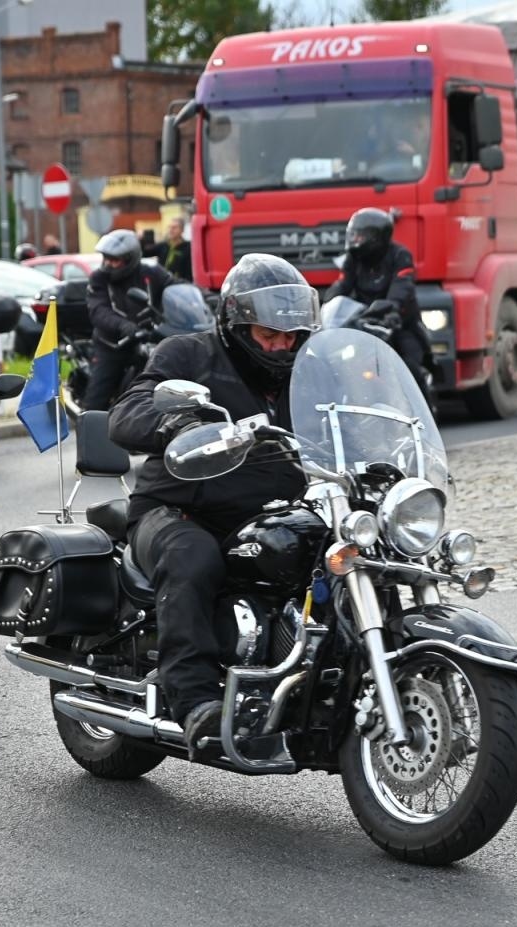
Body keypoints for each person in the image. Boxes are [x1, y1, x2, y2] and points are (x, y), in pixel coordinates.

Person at [109, 254, 318, 751]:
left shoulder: (306, 374)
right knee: (193, 556)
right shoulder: (188, 354)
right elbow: (128, 411)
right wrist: (176, 424)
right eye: (270, 336)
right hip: (177, 508)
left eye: (291, 337)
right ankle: (196, 698)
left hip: (268, 513)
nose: (282, 347)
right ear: (236, 325)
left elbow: (349, 417)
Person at [324, 207, 430, 393]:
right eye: (353, 235)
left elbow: (402, 285)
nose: (355, 241)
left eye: (360, 236)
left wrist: (392, 307)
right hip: (362, 323)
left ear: (377, 237)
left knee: (410, 368)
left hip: (398, 323)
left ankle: (426, 414)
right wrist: (325, 307)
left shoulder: (400, 255)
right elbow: (342, 285)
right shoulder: (353, 259)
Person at [84, 228, 172, 412]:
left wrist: (203, 297)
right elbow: (99, 310)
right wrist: (123, 325)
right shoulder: (99, 279)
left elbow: (175, 285)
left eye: (114, 260)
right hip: (113, 345)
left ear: (130, 258)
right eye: (106, 258)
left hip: (148, 340)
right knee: (96, 400)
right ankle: (88, 433)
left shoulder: (150, 273)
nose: (108, 263)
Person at [156, 217, 192, 282]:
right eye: (169, 227)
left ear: (182, 230)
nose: (171, 230)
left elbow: (189, 272)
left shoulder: (188, 247)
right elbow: (145, 252)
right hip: (162, 284)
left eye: (174, 227)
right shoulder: (163, 245)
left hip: (180, 285)